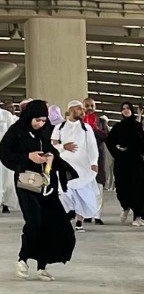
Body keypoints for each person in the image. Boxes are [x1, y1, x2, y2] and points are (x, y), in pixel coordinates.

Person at [0, 100, 76, 281]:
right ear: (29, 116)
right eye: (37, 120)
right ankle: (23, 259)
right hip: (26, 182)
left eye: (43, 120)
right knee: (34, 220)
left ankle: (42, 265)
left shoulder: (45, 130)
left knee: (53, 221)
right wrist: (28, 157)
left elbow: (51, 149)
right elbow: (4, 154)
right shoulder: (16, 131)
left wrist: (51, 157)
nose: (40, 124)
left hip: (47, 183)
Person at [52, 100, 100, 232]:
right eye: (80, 109)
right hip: (65, 166)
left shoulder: (86, 128)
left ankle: (79, 220)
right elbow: (53, 143)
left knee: (82, 194)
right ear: (72, 110)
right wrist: (63, 147)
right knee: (65, 192)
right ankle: (70, 213)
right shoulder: (60, 127)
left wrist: (94, 162)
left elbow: (92, 146)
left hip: (83, 166)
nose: (83, 111)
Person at [106, 102, 144, 226]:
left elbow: (143, 143)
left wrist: (143, 155)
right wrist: (117, 150)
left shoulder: (138, 126)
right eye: (123, 108)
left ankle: (137, 216)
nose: (125, 110)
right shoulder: (118, 127)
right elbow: (110, 141)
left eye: (128, 108)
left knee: (138, 189)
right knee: (122, 188)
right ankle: (125, 206)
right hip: (122, 162)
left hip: (136, 163)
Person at [82, 97, 108, 225]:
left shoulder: (101, 122)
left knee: (98, 186)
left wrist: (95, 129)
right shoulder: (79, 122)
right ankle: (86, 214)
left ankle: (97, 215)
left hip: (98, 158)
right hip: (83, 159)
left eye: (92, 105)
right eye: (87, 106)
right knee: (85, 186)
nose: (90, 108)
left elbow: (106, 136)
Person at [0, 104, 17, 213]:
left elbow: (12, 134)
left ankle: (5, 203)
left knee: (6, 179)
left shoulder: (6, 115)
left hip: (4, 152)